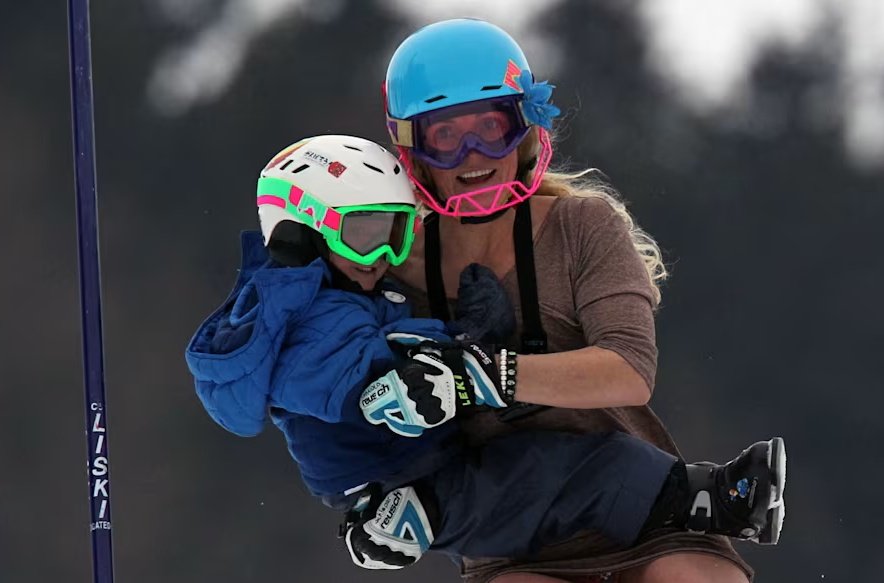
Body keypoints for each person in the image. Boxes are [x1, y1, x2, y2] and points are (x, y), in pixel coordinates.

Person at [184, 135, 785, 576]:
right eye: (363, 234)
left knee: (578, 463)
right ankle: (710, 498)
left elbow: (409, 349)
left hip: (429, 461)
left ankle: (707, 498)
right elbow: (350, 379)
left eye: (395, 234)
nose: (378, 256)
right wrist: (426, 365)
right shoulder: (290, 321)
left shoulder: (349, 292)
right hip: (400, 479)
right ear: (300, 231)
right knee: (564, 475)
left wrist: (470, 342)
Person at [376, 18, 785, 583]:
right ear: (413, 149)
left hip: (646, 513)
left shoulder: (581, 227)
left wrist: (483, 378)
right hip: (512, 542)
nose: (472, 154)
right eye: (446, 135)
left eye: (490, 127)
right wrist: (366, 500)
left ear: (523, 130)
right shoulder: (393, 263)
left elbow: (629, 369)